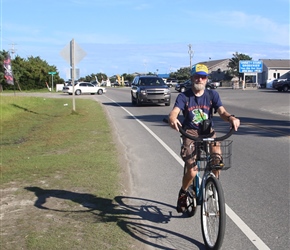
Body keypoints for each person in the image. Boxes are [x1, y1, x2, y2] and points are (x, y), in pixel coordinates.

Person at [168, 63, 240, 213]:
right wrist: (173, 118)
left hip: (208, 132)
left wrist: (231, 118)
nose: (200, 80)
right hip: (191, 133)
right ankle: (183, 192)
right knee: (193, 171)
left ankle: (213, 185)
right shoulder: (184, 96)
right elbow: (175, 111)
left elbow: (222, 112)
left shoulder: (212, 95)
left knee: (217, 161)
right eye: (197, 76)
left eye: (203, 77)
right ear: (192, 78)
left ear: (207, 79)